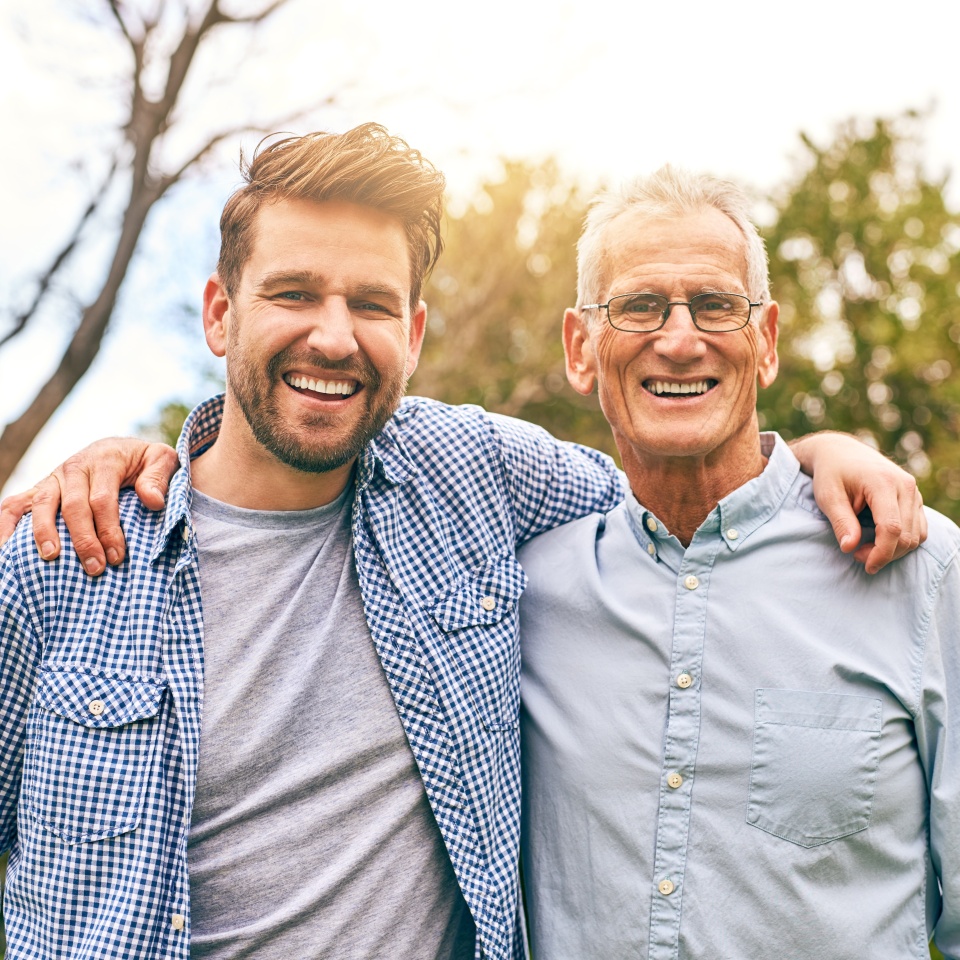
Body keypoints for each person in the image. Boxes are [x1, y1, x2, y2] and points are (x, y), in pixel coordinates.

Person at [0, 126, 925, 960]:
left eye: (369, 303)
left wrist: (820, 454)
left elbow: (682, 481)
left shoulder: (470, 471)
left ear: (412, 331)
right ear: (218, 313)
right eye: (292, 292)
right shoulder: (63, 556)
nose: (332, 335)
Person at [517, 166, 959, 959]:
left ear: (767, 340)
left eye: (717, 305)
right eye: (639, 305)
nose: (679, 340)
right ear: (581, 347)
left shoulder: (923, 573)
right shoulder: (525, 592)